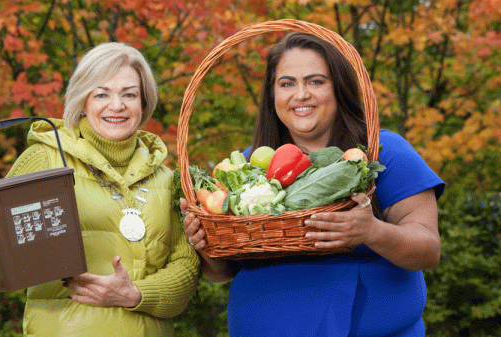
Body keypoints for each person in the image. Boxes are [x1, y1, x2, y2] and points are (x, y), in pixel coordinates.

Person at [180, 32, 445, 336]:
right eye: (287, 83)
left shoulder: (382, 151)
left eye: (316, 81)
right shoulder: (247, 167)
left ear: (339, 88)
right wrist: (207, 247)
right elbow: (222, 272)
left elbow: (428, 250)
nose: (301, 94)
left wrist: (372, 231)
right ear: (272, 95)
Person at [0, 42, 200, 336]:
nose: (117, 105)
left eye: (129, 94)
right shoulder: (46, 159)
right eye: (101, 94)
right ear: (82, 101)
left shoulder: (169, 179)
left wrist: (136, 294)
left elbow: (186, 267)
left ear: (144, 103)